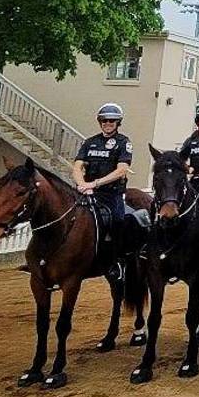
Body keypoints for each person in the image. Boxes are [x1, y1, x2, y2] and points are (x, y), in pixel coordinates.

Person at [73, 102, 135, 276]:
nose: (108, 123)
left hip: (111, 193)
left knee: (118, 220)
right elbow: (77, 166)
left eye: (112, 121)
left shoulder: (123, 142)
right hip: (87, 192)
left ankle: (116, 262)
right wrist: (82, 185)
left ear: (117, 123)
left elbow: (122, 169)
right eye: (104, 120)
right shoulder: (90, 142)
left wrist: (95, 183)